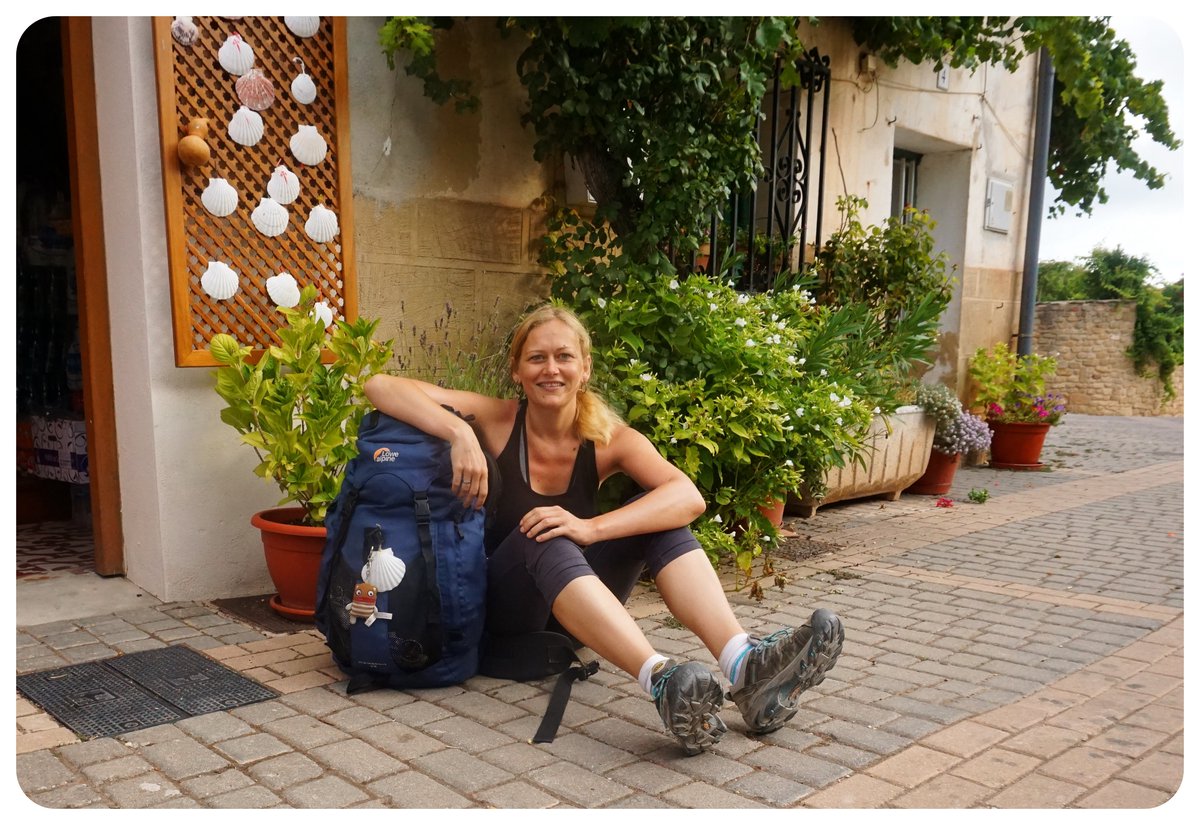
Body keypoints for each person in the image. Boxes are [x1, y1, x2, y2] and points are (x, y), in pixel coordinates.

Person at [363, 304, 843, 755]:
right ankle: (660, 680)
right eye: (536, 358)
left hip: (571, 618)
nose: (551, 369)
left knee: (652, 514)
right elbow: (380, 385)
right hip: (505, 617)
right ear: (517, 371)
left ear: (585, 368)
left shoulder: (607, 438)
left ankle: (744, 665)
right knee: (544, 528)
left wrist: (592, 527)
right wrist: (459, 432)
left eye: (564, 357)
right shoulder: (495, 419)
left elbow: (687, 497)